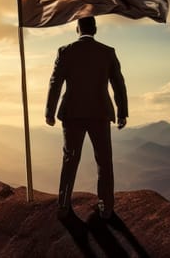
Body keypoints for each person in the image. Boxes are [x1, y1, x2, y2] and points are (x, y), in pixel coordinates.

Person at [45, 16, 128, 220]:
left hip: (72, 114)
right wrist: (122, 112)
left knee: (70, 159)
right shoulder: (107, 52)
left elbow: (55, 83)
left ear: (77, 29)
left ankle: (64, 206)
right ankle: (106, 207)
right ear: (95, 29)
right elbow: (118, 84)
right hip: (100, 114)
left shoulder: (65, 51)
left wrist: (50, 111)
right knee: (104, 161)